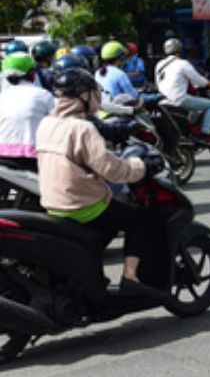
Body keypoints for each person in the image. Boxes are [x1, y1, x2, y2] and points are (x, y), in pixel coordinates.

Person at [35, 67, 162, 294]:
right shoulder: (82, 128)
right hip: (83, 206)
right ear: (83, 95)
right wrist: (141, 167)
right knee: (138, 219)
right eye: (95, 92)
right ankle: (131, 279)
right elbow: (112, 170)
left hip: (53, 205)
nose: (98, 96)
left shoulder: (46, 123)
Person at [0, 52, 55, 172]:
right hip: (32, 158)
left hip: (2, 156)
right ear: (31, 74)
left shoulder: (2, 97)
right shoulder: (43, 95)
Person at [155, 38, 210, 141]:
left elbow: (158, 84)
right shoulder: (182, 63)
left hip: (162, 101)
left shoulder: (159, 65)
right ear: (180, 50)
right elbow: (199, 81)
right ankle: (206, 132)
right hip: (179, 100)